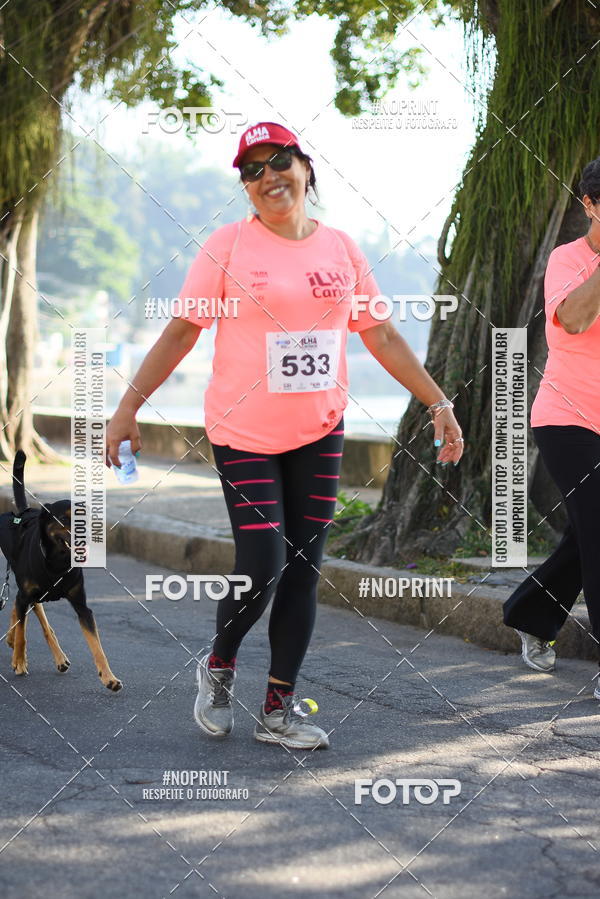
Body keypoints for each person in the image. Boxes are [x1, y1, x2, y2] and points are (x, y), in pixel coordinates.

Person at [105, 120, 464, 750]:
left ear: (306, 168)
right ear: (245, 188)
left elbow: (378, 334)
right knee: (264, 565)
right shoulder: (226, 247)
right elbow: (183, 332)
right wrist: (127, 408)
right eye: (254, 170)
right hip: (242, 432)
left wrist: (437, 401)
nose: (269, 177)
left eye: (280, 163)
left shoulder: (342, 250)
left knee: (304, 570)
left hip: (319, 431)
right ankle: (218, 666)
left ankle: (278, 708)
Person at [503, 156, 600, 695]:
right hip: (568, 418)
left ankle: (530, 613)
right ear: (588, 204)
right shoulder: (568, 261)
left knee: (588, 533)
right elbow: (575, 319)